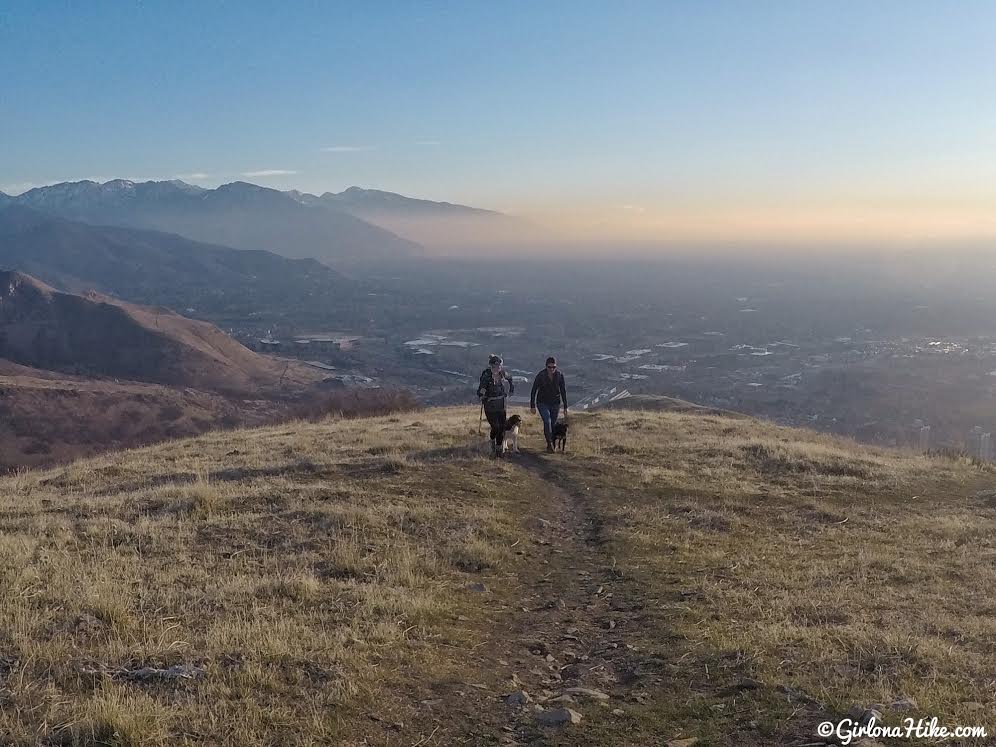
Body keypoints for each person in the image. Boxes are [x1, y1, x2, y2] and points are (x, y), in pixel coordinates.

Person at [477, 354, 514, 457]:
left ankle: (498, 449)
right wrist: (481, 395)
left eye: (499, 366)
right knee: (496, 427)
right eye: (495, 366)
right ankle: (492, 440)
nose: (497, 368)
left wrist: (511, 389)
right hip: (490, 406)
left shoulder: (502, 374)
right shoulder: (486, 377)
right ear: (491, 366)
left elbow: (510, 378)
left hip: (501, 404)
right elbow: (481, 388)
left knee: (502, 427)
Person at [530, 356, 568, 453]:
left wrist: (565, 406)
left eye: (553, 367)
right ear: (546, 366)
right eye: (549, 367)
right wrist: (532, 406)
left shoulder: (559, 375)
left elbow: (563, 391)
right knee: (547, 421)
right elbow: (534, 390)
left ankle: (551, 442)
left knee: (553, 424)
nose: (551, 369)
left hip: (555, 403)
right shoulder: (541, 375)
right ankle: (549, 443)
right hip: (542, 402)